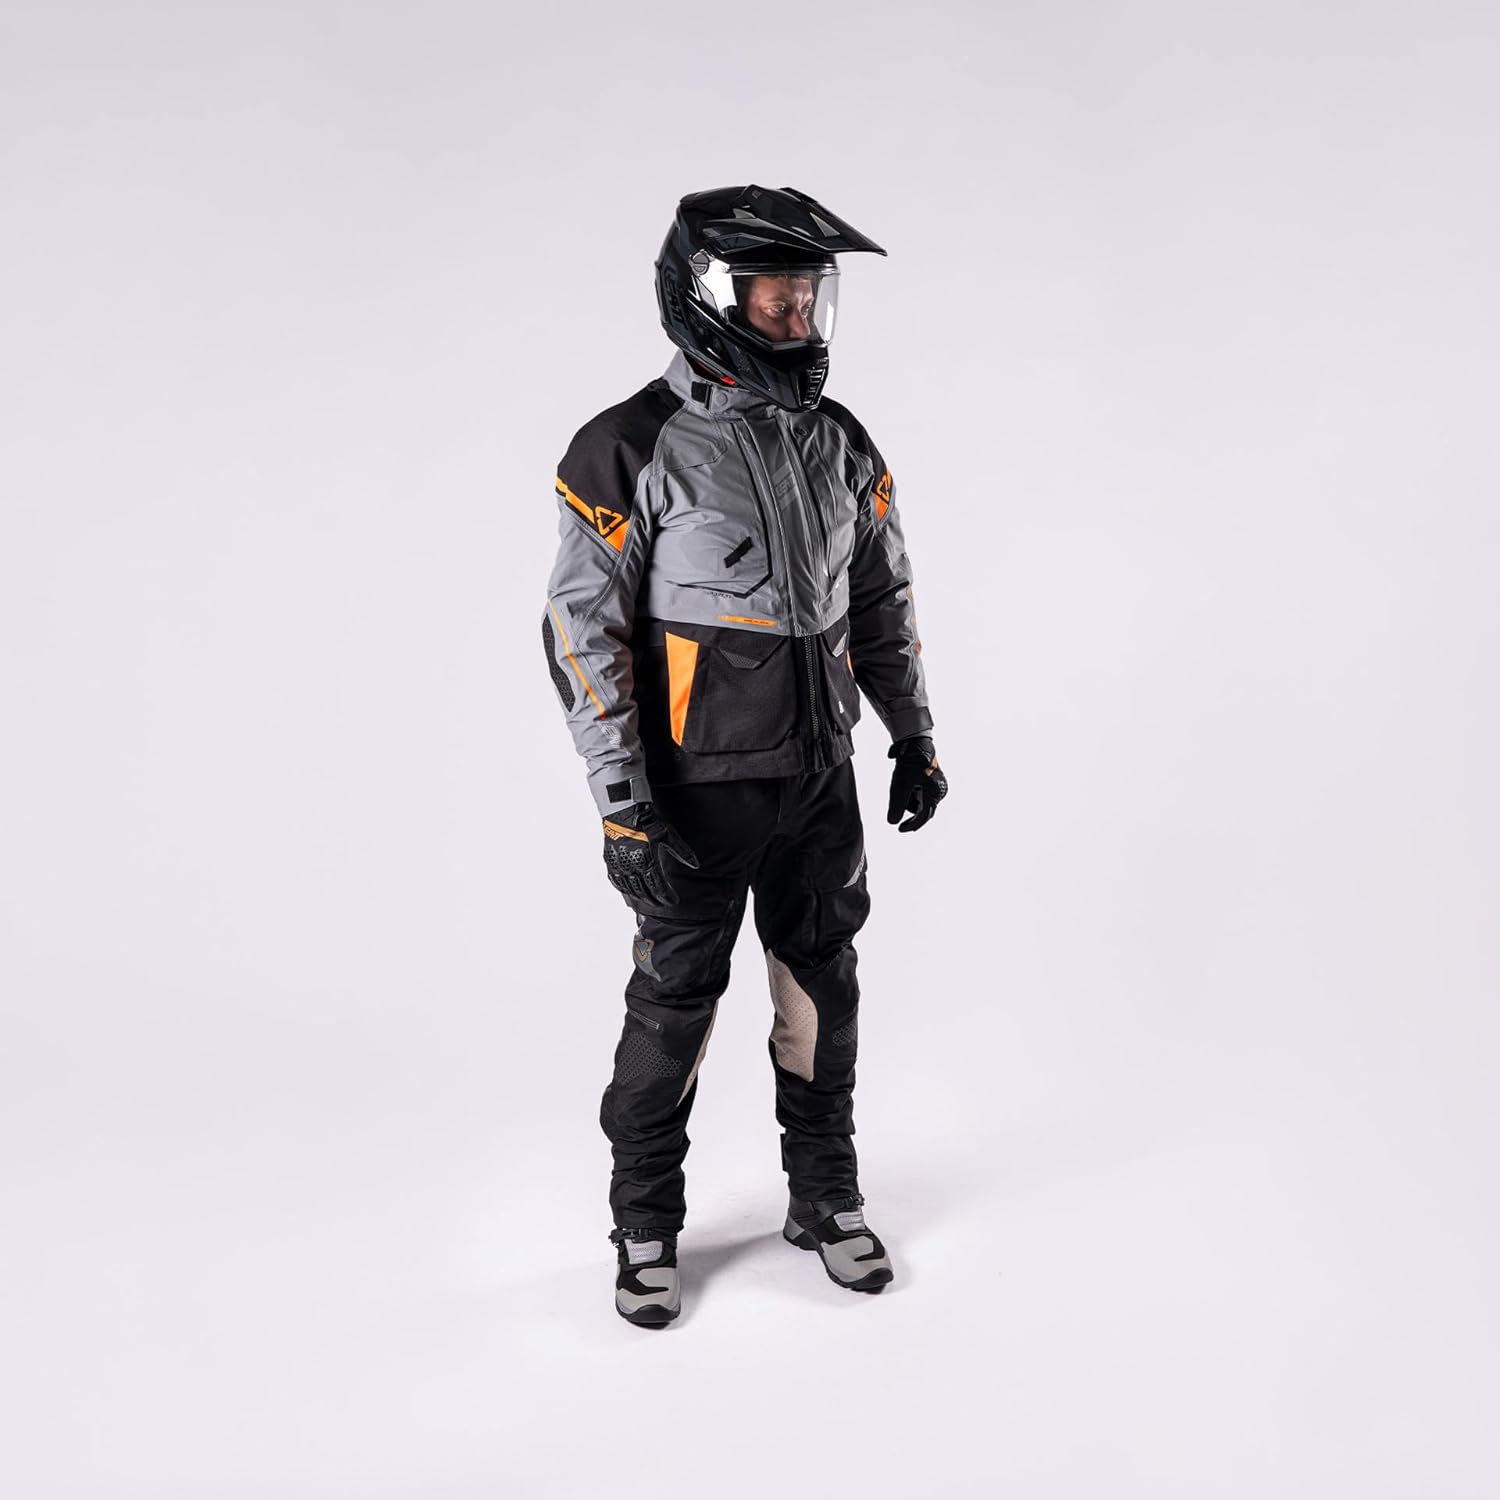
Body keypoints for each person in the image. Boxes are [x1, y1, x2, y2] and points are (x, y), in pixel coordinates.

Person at [541, 184, 948, 1327]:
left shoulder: (840, 439)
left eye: (810, 294)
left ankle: (825, 1197)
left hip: (818, 780)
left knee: (823, 989)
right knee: (674, 1005)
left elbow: (883, 595)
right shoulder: (626, 445)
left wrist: (913, 732)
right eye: (775, 294)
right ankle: (643, 1223)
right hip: (692, 794)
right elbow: (580, 634)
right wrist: (622, 801)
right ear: (708, 295)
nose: (797, 314)